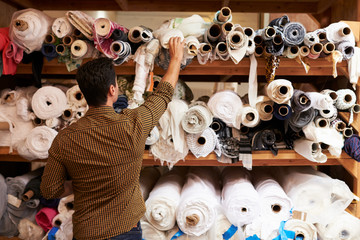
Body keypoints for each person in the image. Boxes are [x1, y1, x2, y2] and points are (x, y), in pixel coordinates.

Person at [40, 37, 185, 240]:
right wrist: (176, 59)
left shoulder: (64, 139)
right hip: (126, 230)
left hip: (86, 232)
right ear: (112, 90)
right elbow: (162, 95)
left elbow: (49, 190)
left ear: (84, 92)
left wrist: (83, 182)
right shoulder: (133, 124)